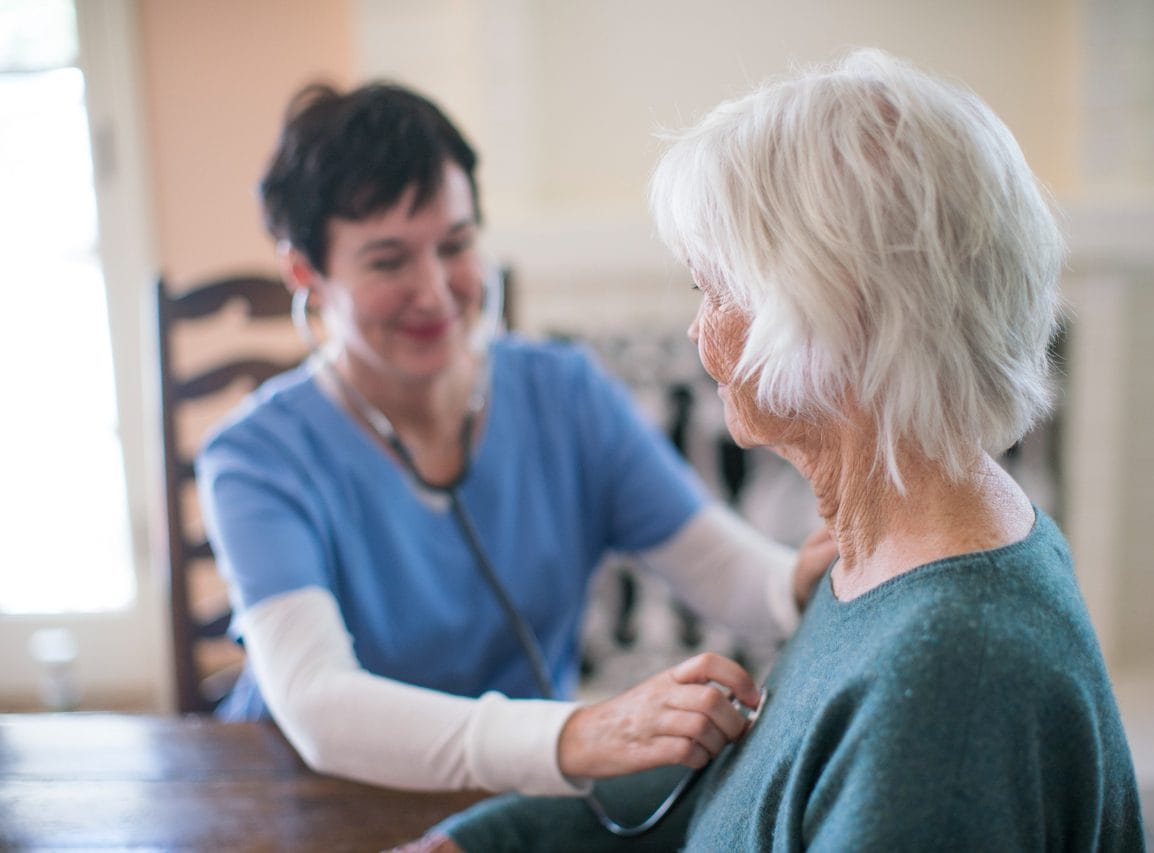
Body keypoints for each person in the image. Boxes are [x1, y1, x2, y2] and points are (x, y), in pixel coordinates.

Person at [409, 49, 1145, 850]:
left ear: (833, 312)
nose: (697, 330)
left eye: (713, 289)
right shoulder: (895, 548)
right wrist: (484, 841)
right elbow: (748, 788)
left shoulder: (947, 680)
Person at [196, 82, 836, 796]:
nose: (435, 291)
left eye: (455, 245)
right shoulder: (252, 457)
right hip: (311, 800)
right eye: (387, 261)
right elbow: (317, 702)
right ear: (305, 272)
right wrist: (579, 734)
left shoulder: (565, 394)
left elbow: (718, 567)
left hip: (508, 801)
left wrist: (796, 582)